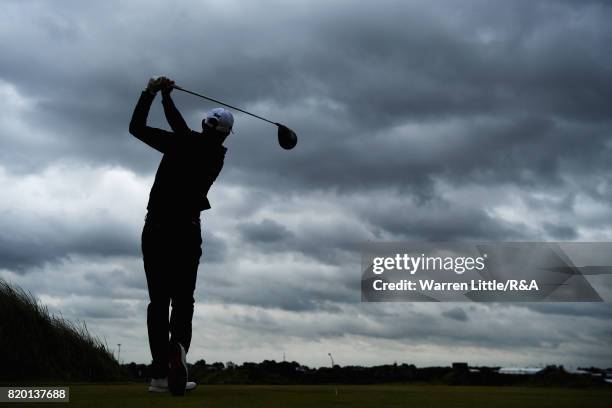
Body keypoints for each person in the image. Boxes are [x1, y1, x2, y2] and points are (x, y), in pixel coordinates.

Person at [129, 76, 233, 396]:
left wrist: (155, 94)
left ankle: (161, 373)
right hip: (187, 231)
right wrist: (165, 98)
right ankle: (179, 352)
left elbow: (137, 127)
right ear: (225, 134)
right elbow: (181, 129)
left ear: (205, 124)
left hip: (157, 229)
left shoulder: (182, 143)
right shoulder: (216, 155)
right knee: (183, 300)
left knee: (159, 302)